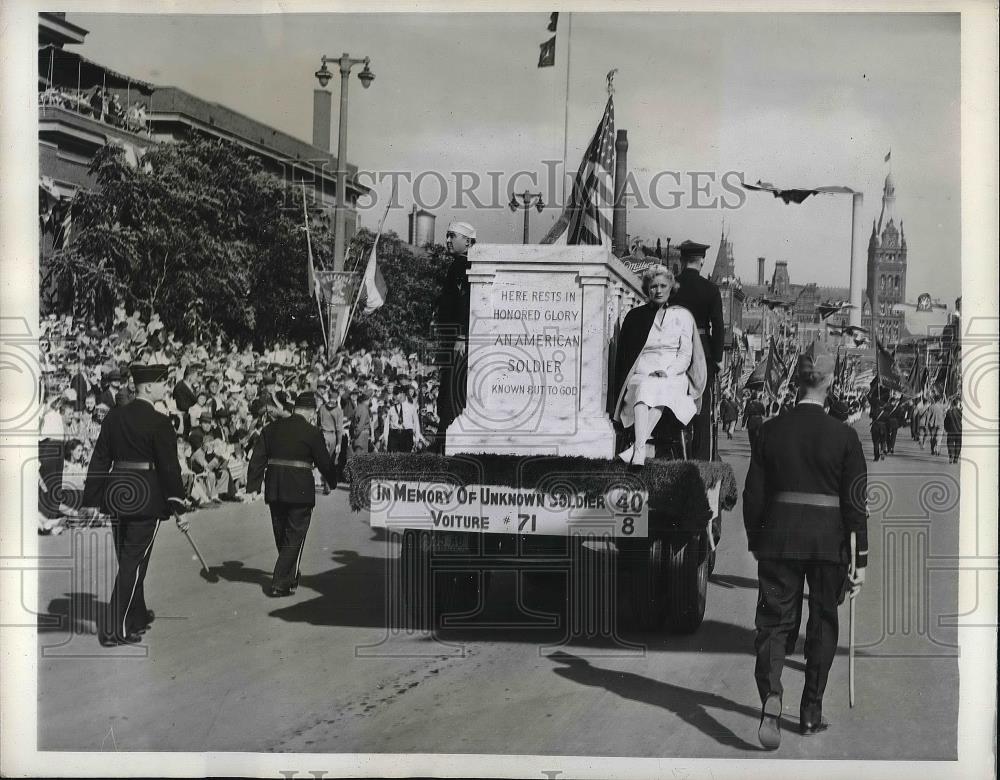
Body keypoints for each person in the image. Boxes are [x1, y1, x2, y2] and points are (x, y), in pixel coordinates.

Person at [743, 352, 868, 749]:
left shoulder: (769, 430)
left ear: (796, 379)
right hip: (829, 542)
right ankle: (811, 711)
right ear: (829, 382)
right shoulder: (845, 436)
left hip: (779, 538)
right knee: (823, 622)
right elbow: (856, 504)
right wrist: (860, 559)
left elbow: (753, 495)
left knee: (775, 623)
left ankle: (772, 697)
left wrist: (756, 540)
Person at [82, 363, 187, 647]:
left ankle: (136, 617)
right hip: (146, 497)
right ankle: (116, 629)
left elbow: (100, 458)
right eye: (163, 383)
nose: (166, 388)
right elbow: (168, 469)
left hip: (116, 494)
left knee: (129, 561)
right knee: (133, 564)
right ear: (148, 387)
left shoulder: (113, 418)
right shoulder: (160, 422)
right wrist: (178, 505)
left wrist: (91, 500)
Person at [613, 265, 707, 467]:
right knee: (647, 386)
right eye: (653, 286)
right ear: (647, 289)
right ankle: (639, 448)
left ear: (671, 287)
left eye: (663, 285)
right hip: (642, 372)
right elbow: (627, 355)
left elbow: (685, 354)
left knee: (659, 387)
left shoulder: (683, 316)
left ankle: (637, 450)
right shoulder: (636, 317)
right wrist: (648, 372)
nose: (658, 290)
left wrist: (667, 371)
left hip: (674, 375)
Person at [246, 391, 337, 597]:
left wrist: (253, 486)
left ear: (295, 409)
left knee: (282, 533)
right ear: (312, 412)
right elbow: (324, 462)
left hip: (275, 488)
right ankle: (279, 582)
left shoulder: (271, 428)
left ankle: (289, 576)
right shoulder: (312, 432)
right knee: (294, 535)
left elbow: (257, 458)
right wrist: (333, 480)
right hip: (300, 490)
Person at [667, 240, 725, 460]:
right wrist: (718, 358)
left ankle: (674, 454)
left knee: (674, 401)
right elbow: (718, 326)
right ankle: (701, 459)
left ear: (682, 260)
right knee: (702, 407)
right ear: (702, 261)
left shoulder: (672, 287)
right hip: (703, 353)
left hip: (674, 350)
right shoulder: (711, 289)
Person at [431, 220, 476, 453]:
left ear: (467, 241)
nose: (447, 240)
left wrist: (461, 336)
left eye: (452, 236)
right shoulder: (455, 266)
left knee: (452, 391)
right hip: (450, 340)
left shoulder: (465, 266)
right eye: (447, 236)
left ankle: (447, 443)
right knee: (446, 390)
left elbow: (465, 302)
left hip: (458, 342)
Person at [316, 384, 344, 493]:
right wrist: (339, 443)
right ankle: (327, 483)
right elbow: (339, 429)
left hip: (322, 434)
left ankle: (325, 482)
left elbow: (318, 422)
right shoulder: (338, 411)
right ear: (337, 397)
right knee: (330, 460)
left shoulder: (322, 408)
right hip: (332, 436)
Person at [944, 397, 962, 463]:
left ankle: (951, 456)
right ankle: (956, 458)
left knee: (950, 443)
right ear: (958, 403)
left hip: (951, 430)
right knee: (958, 444)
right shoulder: (960, 412)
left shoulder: (949, 411)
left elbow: (946, 421)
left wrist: (946, 428)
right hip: (959, 430)